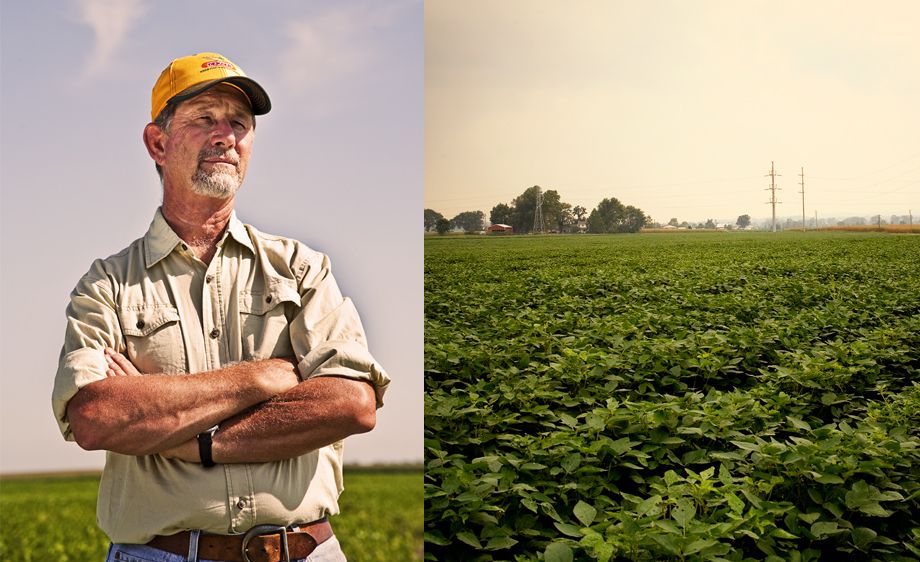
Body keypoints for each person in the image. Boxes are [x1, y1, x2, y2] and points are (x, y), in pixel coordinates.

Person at [51, 52, 390, 562]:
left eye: (239, 123)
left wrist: (191, 440)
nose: (226, 136)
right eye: (204, 119)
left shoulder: (302, 268)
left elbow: (351, 404)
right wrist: (259, 378)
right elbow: (97, 416)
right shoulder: (108, 285)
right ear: (158, 143)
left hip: (304, 551)